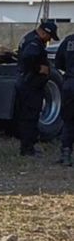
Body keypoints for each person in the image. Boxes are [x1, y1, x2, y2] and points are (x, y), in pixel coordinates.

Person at [16, 20, 59, 157]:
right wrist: (39, 68)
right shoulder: (34, 42)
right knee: (30, 117)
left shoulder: (29, 38)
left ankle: (27, 146)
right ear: (43, 32)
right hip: (31, 85)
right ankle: (27, 149)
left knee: (27, 116)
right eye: (49, 36)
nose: (48, 40)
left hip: (27, 83)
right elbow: (28, 57)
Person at [55, 31, 74, 166]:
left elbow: (58, 63)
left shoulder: (68, 41)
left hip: (69, 85)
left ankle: (65, 154)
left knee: (68, 121)